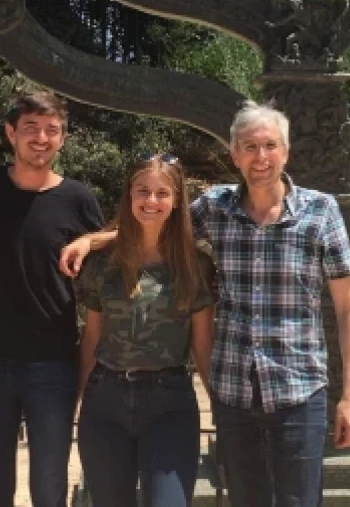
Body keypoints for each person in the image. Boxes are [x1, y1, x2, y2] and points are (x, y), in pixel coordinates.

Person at [60, 102, 350, 507]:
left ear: (286, 152)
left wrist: (348, 397)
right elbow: (154, 221)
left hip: (299, 386)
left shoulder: (321, 212)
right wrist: (92, 240)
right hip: (235, 391)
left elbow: (347, 308)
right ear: (235, 155)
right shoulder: (216, 208)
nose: (261, 156)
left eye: (270, 145)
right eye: (250, 146)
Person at [0, 89, 105, 507]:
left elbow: (118, 240)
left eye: (51, 130)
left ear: (63, 139)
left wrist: (91, 240)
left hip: (53, 364)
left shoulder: (78, 198)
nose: (41, 138)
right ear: (10, 133)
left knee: (49, 485)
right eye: (31, 128)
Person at [75, 154, 215, 507]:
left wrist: (220, 406)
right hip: (105, 402)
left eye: (162, 193)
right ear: (129, 195)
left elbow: (203, 345)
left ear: (177, 200)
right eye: (143, 191)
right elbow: (92, 337)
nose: (151, 201)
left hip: (168, 402)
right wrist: (73, 402)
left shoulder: (195, 265)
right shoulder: (103, 262)